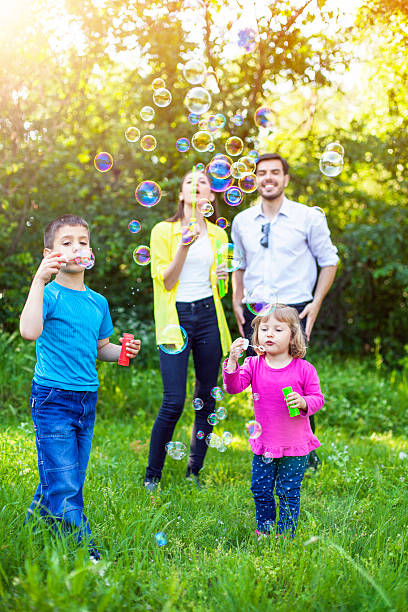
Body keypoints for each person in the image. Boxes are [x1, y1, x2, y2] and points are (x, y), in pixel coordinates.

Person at [19, 214, 141, 559]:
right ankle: (87, 554)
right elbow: (29, 331)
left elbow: (100, 347)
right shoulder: (50, 294)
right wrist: (38, 281)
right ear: (50, 253)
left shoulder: (97, 302)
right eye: (67, 242)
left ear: (90, 251)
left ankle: (28, 534)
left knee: (63, 478)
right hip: (53, 398)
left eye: (83, 241)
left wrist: (123, 352)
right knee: (66, 483)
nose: (76, 247)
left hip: (86, 399)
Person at [231, 153, 338, 471]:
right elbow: (239, 265)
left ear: (286, 179)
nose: (268, 177)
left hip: (294, 311)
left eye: (275, 172)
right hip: (257, 312)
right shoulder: (242, 221)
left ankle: (305, 452)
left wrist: (316, 302)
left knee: (296, 379)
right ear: (255, 179)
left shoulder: (308, 218)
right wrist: (237, 301)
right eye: (262, 173)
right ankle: (270, 446)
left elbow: (329, 261)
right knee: (263, 381)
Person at [144, 169, 231, 489]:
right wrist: (183, 246)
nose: (197, 186)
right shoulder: (162, 231)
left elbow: (220, 290)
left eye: (204, 183)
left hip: (209, 314)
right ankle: (152, 475)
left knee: (206, 399)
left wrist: (223, 276)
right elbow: (166, 280)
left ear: (211, 195)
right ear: (181, 194)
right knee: (174, 400)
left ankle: (194, 471)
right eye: (189, 183)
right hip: (175, 318)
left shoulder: (219, 236)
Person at [222, 305, 324, 538]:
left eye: (278, 329)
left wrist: (304, 402)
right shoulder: (253, 365)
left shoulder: (304, 369)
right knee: (260, 488)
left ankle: (285, 533)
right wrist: (231, 362)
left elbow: (318, 399)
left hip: (295, 446)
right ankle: (265, 528)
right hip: (265, 443)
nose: (269, 334)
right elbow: (233, 387)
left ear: (292, 337)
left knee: (288, 491)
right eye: (264, 328)